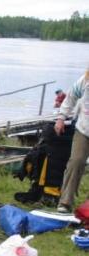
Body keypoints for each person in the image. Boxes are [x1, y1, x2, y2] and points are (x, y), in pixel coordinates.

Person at [54, 67, 89, 213]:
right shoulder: (85, 80)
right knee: (76, 161)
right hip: (83, 128)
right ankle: (65, 202)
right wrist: (61, 118)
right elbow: (70, 98)